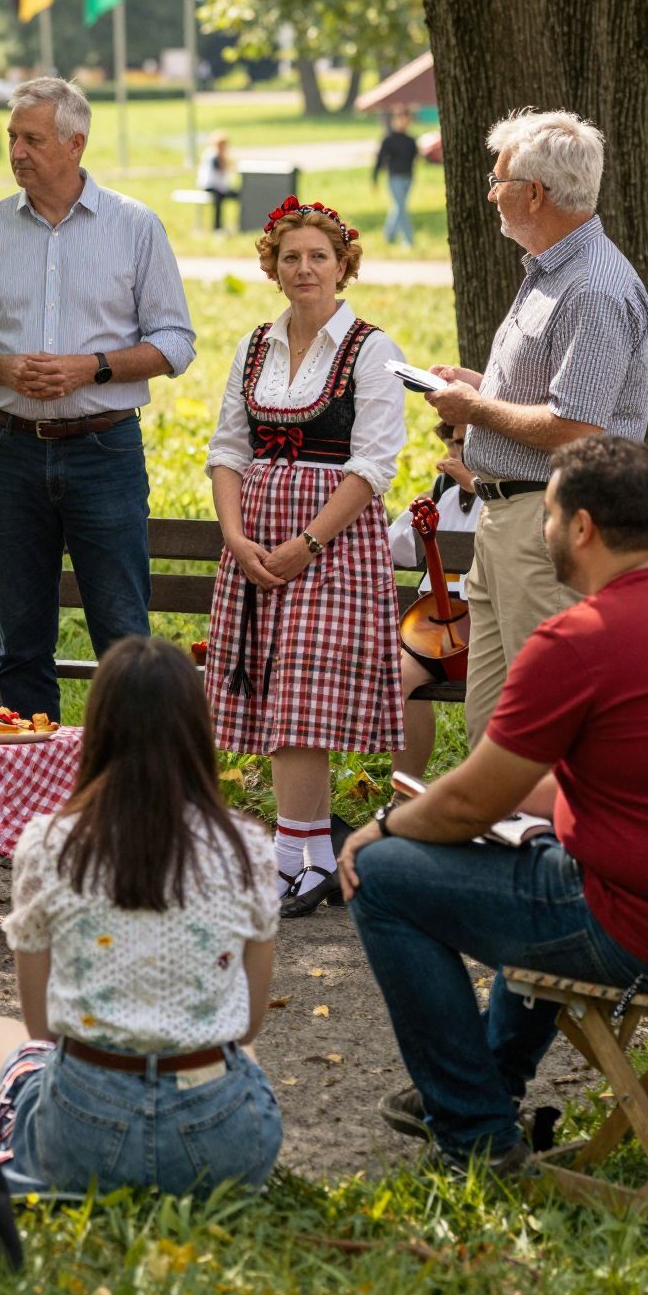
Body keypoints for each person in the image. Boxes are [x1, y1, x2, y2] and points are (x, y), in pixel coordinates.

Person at [341, 436, 648, 1177]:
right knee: (536, 848)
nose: (543, 531)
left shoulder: (576, 639)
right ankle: (492, 1081)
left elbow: (472, 803)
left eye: (547, 514)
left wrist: (380, 828)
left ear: (582, 528)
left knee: (378, 877)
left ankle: (474, 1134)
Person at [0, 636, 281, 1198]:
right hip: (220, 1144)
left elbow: (41, 1031)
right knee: (239, 1051)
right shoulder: (248, 847)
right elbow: (248, 1025)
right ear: (198, 730)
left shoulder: (48, 844)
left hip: (82, 1135)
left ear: (98, 731)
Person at [0, 78, 195, 723]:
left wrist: (91, 368)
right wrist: (1, 368)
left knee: (122, 635)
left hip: (104, 449)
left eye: (32, 139)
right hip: (8, 450)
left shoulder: (135, 226)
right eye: (12, 138)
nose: (17, 152)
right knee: (20, 642)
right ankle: (28, 774)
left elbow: (176, 343)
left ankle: (132, 771)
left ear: (75, 144)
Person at [204, 195, 407, 916]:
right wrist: (235, 537)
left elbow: (373, 466)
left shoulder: (372, 349)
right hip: (257, 538)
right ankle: (313, 859)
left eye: (319, 256)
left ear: (342, 264)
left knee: (300, 698)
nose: (304, 268)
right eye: (290, 256)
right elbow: (228, 449)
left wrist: (309, 542)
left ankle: (292, 859)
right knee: (278, 695)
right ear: (274, 266)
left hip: (333, 543)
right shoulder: (254, 346)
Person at [425, 109, 648, 746]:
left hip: (550, 521)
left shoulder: (593, 288)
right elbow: (554, 400)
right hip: (509, 520)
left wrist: (474, 411)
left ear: (534, 193)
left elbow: (577, 429)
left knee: (545, 728)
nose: (490, 194)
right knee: (494, 728)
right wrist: (479, 388)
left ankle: (552, 821)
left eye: (497, 181)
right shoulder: (555, 271)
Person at [385, 421, 483, 778]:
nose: (459, 452)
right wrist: (427, 503)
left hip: (485, 633)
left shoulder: (507, 496)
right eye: (454, 443)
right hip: (435, 632)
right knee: (397, 680)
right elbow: (395, 550)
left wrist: (476, 485)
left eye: (469, 442)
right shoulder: (443, 491)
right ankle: (405, 792)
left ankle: (490, 791)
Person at [373, 109, 419, 247]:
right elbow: (379, 159)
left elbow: (415, 157)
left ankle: (388, 235)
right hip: (394, 177)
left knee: (398, 207)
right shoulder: (388, 139)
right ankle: (409, 240)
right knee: (401, 208)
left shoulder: (411, 140)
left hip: (408, 177)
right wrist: (375, 177)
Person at [197, 135, 240, 233]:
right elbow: (222, 168)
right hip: (210, 186)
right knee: (218, 199)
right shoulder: (213, 155)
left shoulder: (215, 155)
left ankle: (237, 224)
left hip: (219, 187)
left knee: (239, 195)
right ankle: (217, 227)